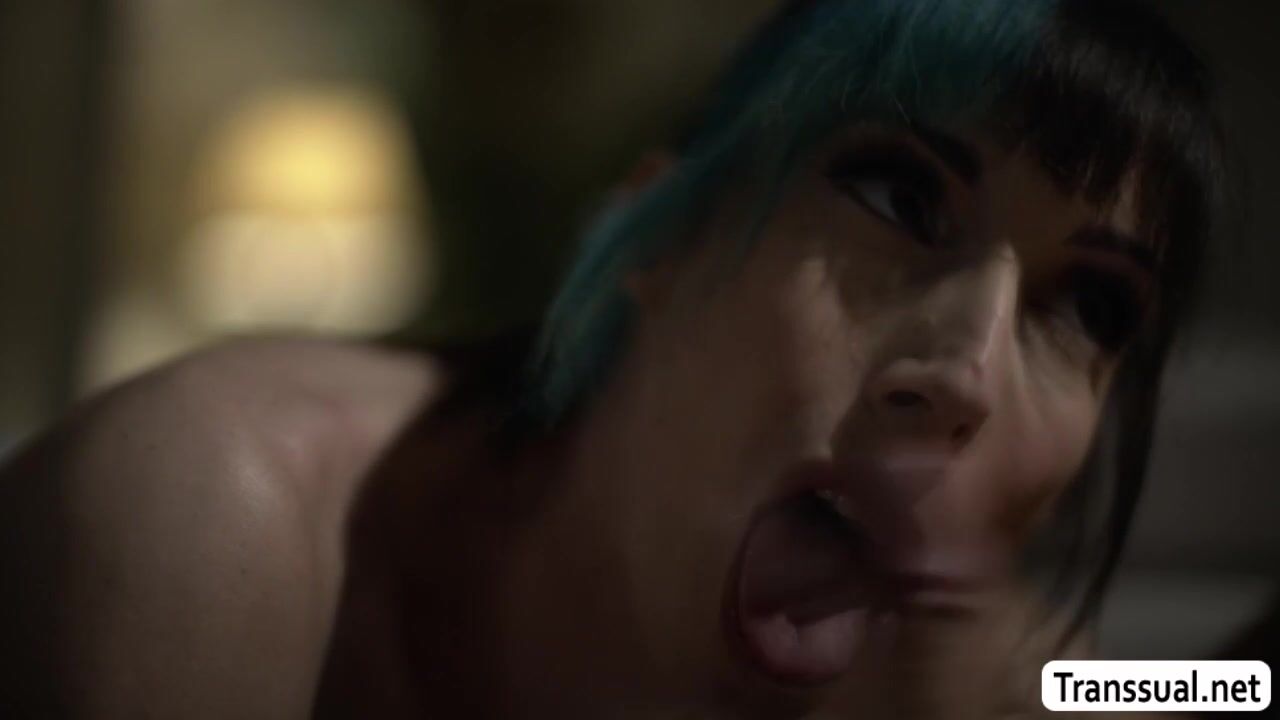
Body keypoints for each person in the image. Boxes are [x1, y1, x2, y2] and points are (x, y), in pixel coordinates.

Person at [0, 0, 1225, 717]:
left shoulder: (975, 665)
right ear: (659, 234)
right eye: (899, 198)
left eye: (1091, 308)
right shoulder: (207, 523)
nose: (965, 376)